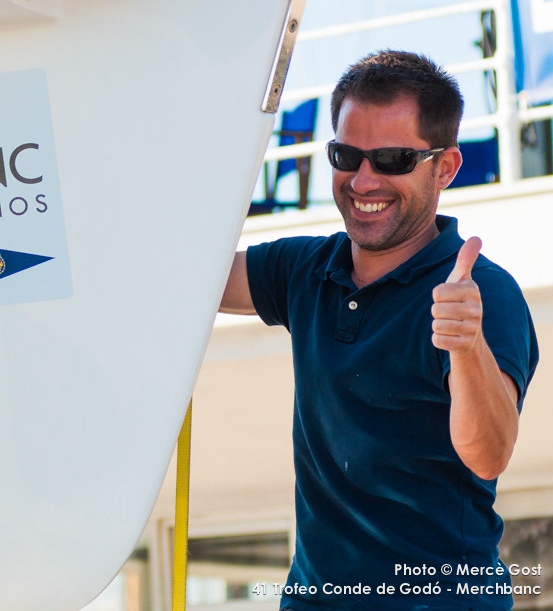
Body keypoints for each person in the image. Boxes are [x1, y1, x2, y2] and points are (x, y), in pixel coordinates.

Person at [221, 51, 539, 608]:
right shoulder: (305, 269)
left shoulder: (482, 294)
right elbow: (185, 282)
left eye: (393, 159)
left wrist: (465, 347)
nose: (364, 180)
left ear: (445, 168)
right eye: (347, 156)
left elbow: (489, 454)